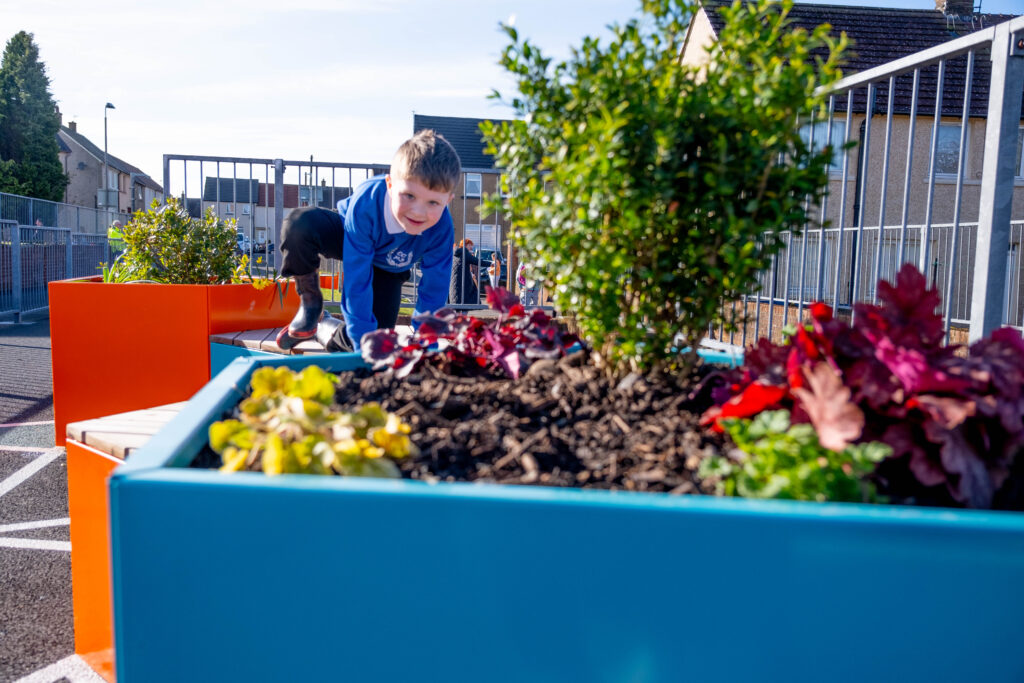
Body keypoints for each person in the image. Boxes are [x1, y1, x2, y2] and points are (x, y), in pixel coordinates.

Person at [276, 129, 461, 351]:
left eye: (433, 203)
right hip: (352, 238)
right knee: (299, 225)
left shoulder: (441, 226)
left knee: (375, 340)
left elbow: (435, 286)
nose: (418, 212)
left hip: (390, 266)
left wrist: (425, 339)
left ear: (448, 200)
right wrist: (360, 335)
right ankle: (310, 305)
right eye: (409, 196)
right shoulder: (368, 203)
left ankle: (322, 327)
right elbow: (357, 280)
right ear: (391, 185)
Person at [449, 238, 493, 306]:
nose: (471, 247)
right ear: (465, 245)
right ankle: (463, 315)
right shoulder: (464, 253)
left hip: (455, 280)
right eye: (470, 245)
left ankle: (459, 315)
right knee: (465, 300)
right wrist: (490, 264)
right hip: (463, 281)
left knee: (457, 301)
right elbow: (476, 261)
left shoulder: (455, 253)